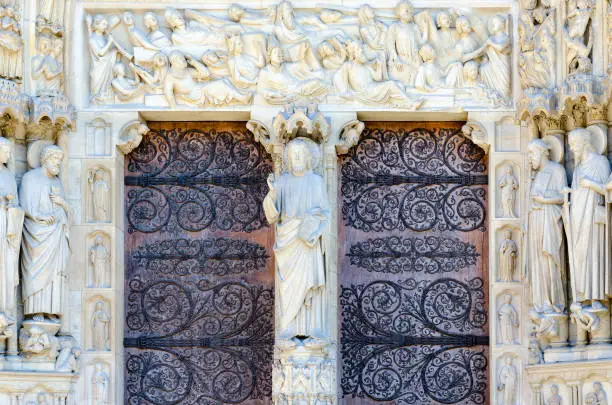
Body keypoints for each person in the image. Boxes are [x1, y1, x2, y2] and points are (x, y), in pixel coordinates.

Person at [263, 138, 330, 339]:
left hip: (307, 241)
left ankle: (310, 330)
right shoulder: (282, 182)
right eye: (294, 154)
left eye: (302, 153)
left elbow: (325, 213)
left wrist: (311, 226)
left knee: (308, 284)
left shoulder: (316, 182)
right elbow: (272, 216)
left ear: (310, 158)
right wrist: (273, 194)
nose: (298, 157)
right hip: (287, 242)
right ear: (289, 159)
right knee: (288, 287)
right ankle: (288, 329)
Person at [20, 145, 70, 320]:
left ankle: (50, 309)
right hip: (36, 233)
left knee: (55, 273)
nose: (58, 164)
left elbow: (66, 210)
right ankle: (35, 311)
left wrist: (62, 204)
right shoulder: (30, 178)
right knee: (36, 269)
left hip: (55, 233)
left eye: (60, 160)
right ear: (45, 159)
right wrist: (39, 217)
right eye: (55, 159)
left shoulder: (57, 182)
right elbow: (24, 207)